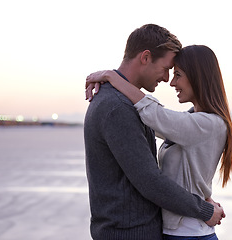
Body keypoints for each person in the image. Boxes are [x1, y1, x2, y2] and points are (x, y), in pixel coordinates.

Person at [84, 24, 224, 240]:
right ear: (146, 57)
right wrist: (204, 209)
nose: (168, 79)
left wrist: (202, 199)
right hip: (128, 233)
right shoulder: (118, 107)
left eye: (176, 73)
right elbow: (151, 181)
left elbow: (167, 120)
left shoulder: (124, 104)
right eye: (167, 69)